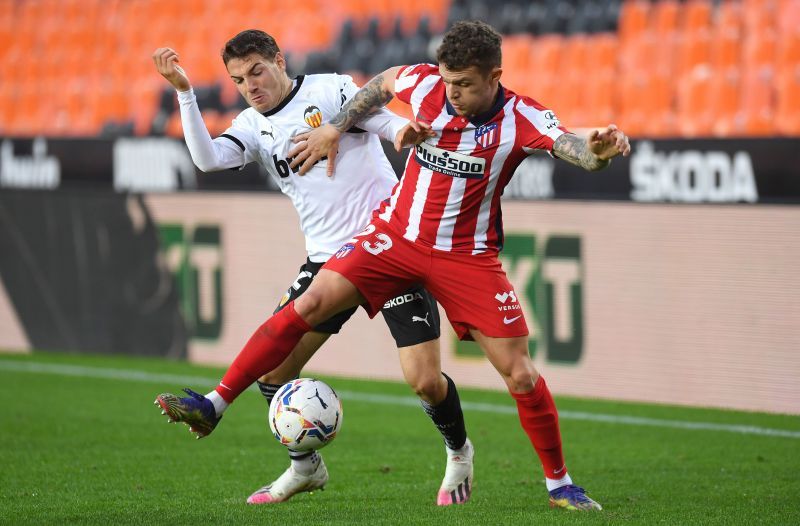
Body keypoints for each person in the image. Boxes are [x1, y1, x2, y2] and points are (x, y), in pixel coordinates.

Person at [158, 21, 631, 511]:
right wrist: (337, 126)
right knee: (309, 306)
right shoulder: (426, 84)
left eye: (464, 85)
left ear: (495, 77)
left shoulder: (521, 116)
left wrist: (595, 153)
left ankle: (556, 484)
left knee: (515, 374)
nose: (452, 94)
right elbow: (384, 82)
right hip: (394, 237)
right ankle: (215, 405)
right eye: (447, 82)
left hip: (466, 256)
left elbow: (573, 146)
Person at [152, 29, 475, 507]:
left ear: (279, 60)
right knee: (273, 371)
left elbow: (385, 123)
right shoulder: (251, 124)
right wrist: (185, 93)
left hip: (387, 248)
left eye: (257, 71)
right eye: (239, 80)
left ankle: (459, 452)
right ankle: (305, 468)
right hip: (328, 261)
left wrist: (404, 133)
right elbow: (207, 160)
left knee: (425, 380)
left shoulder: (330, 90)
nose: (251, 86)